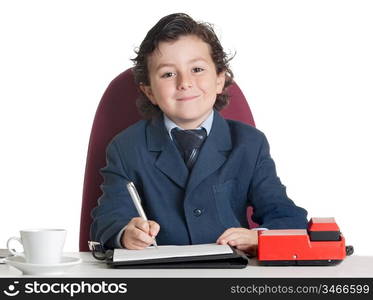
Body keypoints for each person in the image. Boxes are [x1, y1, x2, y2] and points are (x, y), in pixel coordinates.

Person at [90, 13, 308, 256]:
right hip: (158, 277)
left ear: (219, 79)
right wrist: (125, 233)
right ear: (149, 91)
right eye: (168, 74)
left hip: (230, 278)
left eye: (197, 69)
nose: (185, 82)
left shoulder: (250, 144)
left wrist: (258, 237)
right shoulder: (125, 147)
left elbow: (288, 217)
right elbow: (108, 217)